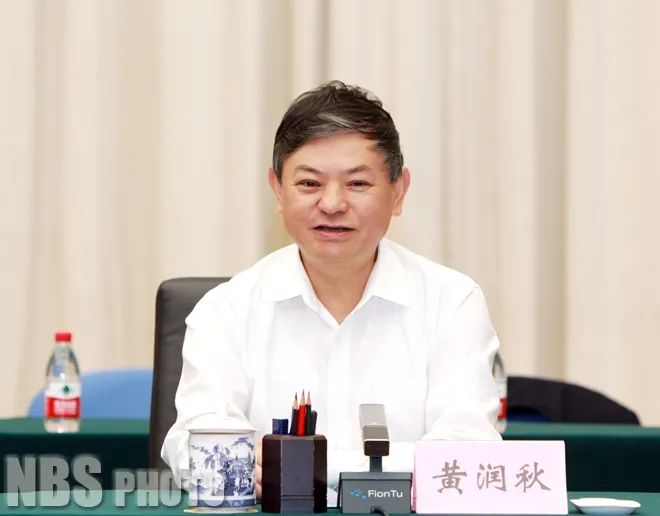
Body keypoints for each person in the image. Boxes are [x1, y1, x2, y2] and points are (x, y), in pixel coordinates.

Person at [162, 81, 501, 501]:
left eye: (357, 184)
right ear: (277, 190)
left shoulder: (452, 303)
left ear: (398, 191)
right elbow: (194, 445)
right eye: (309, 184)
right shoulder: (226, 310)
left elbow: (468, 452)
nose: (333, 203)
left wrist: (304, 467)